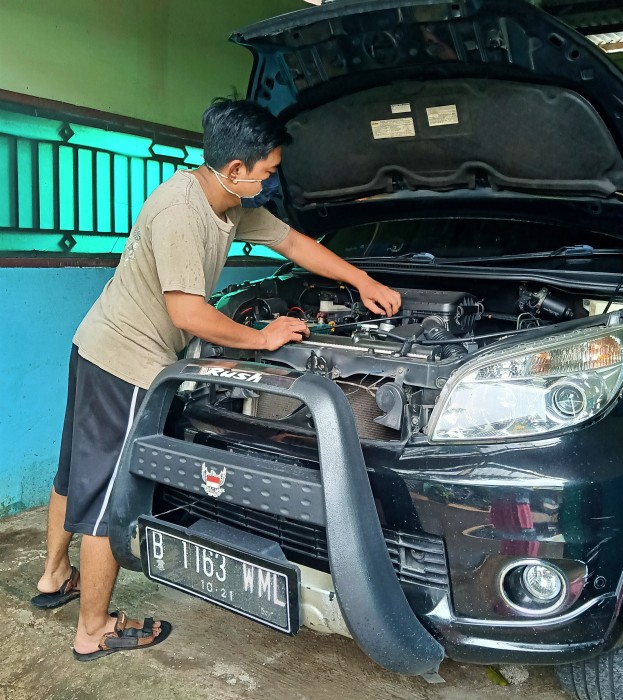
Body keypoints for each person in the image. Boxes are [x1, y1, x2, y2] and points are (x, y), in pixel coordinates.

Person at [31, 98, 402, 661]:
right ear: (236, 170)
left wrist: (362, 281)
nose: (271, 181)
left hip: (96, 343)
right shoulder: (182, 211)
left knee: (73, 473)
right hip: (126, 363)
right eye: (268, 172)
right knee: (106, 497)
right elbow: (189, 315)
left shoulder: (228, 201)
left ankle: (54, 576)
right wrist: (264, 338)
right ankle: (94, 629)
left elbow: (293, 244)